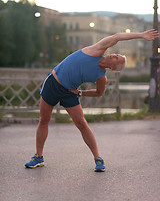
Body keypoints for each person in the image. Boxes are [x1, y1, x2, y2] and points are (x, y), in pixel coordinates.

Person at [25, 29, 159, 171]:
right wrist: (141, 35)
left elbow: (99, 93)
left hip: (69, 92)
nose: (114, 54)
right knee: (44, 120)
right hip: (53, 83)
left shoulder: (101, 77)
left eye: (116, 58)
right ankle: (38, 157)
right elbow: (117, 37)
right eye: (116, 54)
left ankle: (98, 159)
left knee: (81, 123)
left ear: (113, 68)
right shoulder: (97, 49)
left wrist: (81, 93)